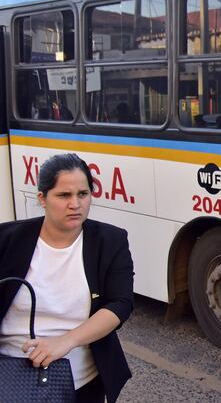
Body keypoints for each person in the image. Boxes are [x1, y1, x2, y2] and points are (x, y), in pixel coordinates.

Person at [0, 153, 134, 403]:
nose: (75, 204)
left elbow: (120, 304)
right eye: (64, 195)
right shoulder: (7, 239)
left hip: (81, 382)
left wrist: (66, 341)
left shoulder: (111, 241)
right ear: (43, 198)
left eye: (83, 194)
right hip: (9, 378)